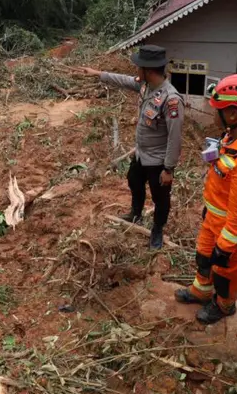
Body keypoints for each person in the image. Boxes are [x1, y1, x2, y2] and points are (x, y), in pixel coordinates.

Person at [174, 74, 237, 324]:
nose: (212, 113)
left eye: (216, 109)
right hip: (216, 219)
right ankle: (201, 291)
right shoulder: (234, 136)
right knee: (204, 257)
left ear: (232, 114)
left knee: (225, 272)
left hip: (235, 232)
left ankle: (224, 305)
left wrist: (226, 246)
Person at [76, 45, 183, 249]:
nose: (135, 71)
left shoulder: (171, 100)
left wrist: (168, 169)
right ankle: (136, 213)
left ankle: (157, 230)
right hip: (141, 154)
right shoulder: (145, 86)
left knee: (160, 198)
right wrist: (98, 73)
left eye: (138, 67)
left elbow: (175, 139)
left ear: (148, 71)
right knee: (133, 180)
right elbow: (124, 80)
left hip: (158, 160)